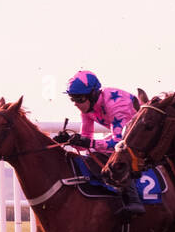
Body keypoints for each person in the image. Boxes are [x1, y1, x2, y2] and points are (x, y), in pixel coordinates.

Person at [53, 69, 144, 215]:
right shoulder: (86, 109)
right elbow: (85, 143)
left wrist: (88, 143)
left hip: (141, 136)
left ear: (93, 94)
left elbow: (120, 142)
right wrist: (69, 140)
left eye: (80, 99)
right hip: (127, 136)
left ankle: (134, 200)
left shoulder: (116, 105)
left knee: (116, 154)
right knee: (95, 154)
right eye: (73, 99)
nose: (76, 104)